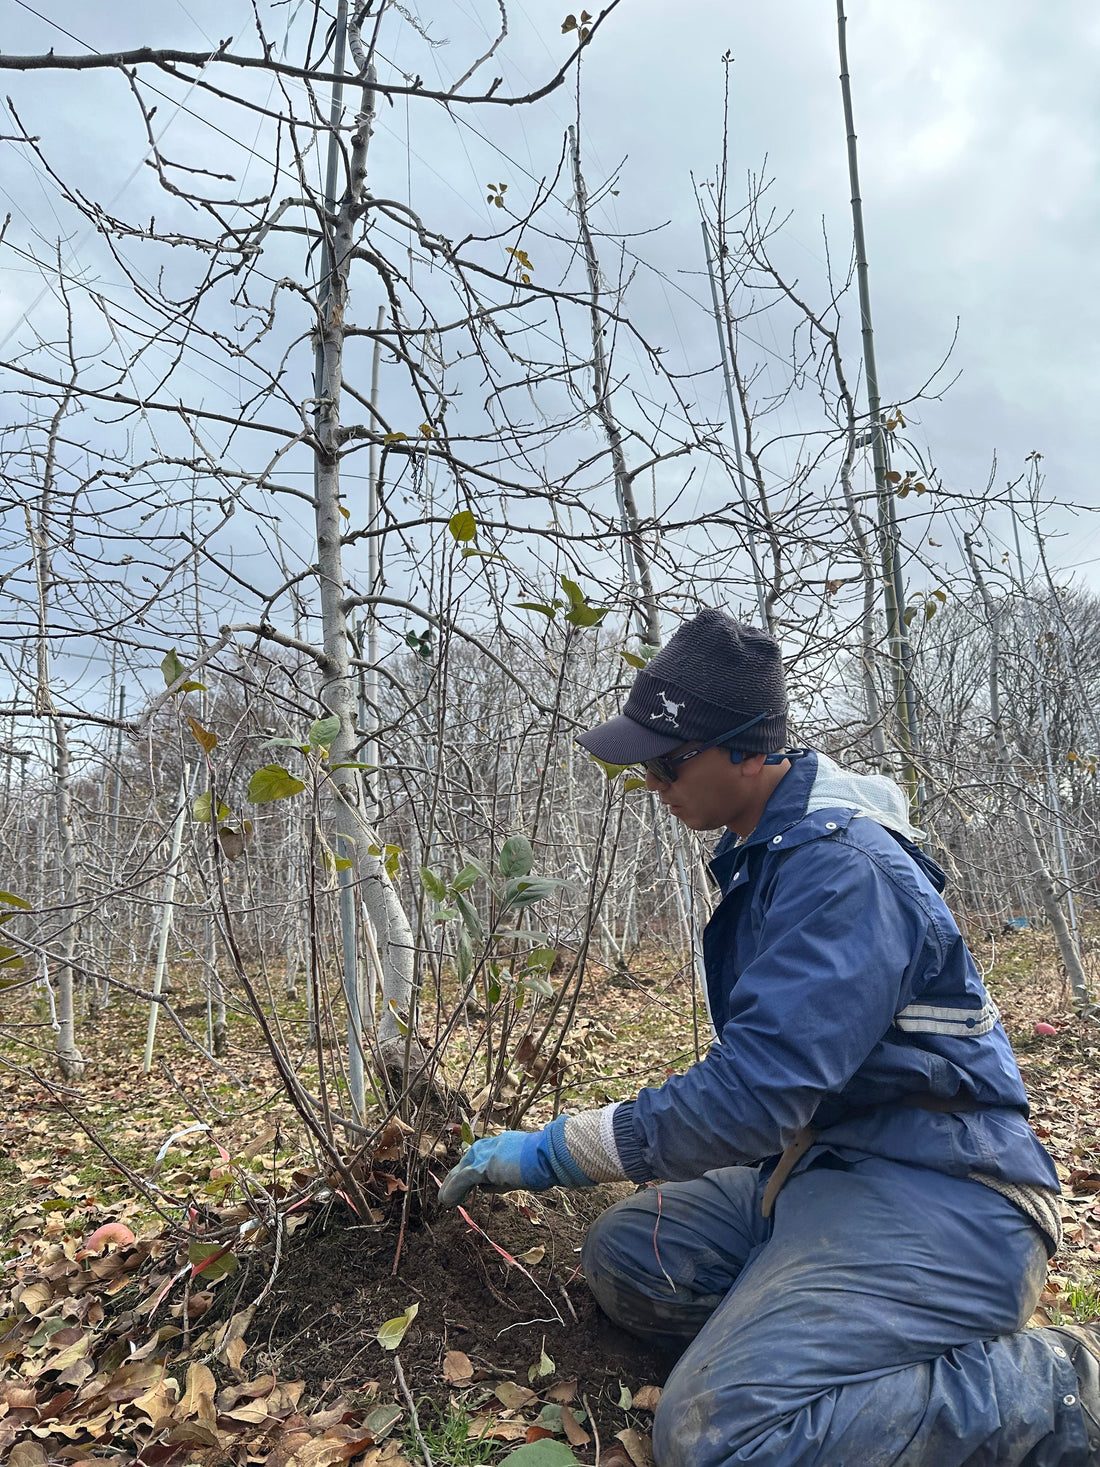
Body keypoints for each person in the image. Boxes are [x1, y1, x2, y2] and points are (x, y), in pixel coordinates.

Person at [439, 608, 1100, 1466]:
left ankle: (1058, 1388)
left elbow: (754, 1094)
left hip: (946, 1190)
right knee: (630, 1257)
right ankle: (818, 1336)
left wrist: (561, 1148)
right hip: (826, 1166)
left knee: (721, 1437)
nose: (655, 784)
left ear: (751, 751)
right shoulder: (774, 852)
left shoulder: (845, 871)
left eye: (669, 762)